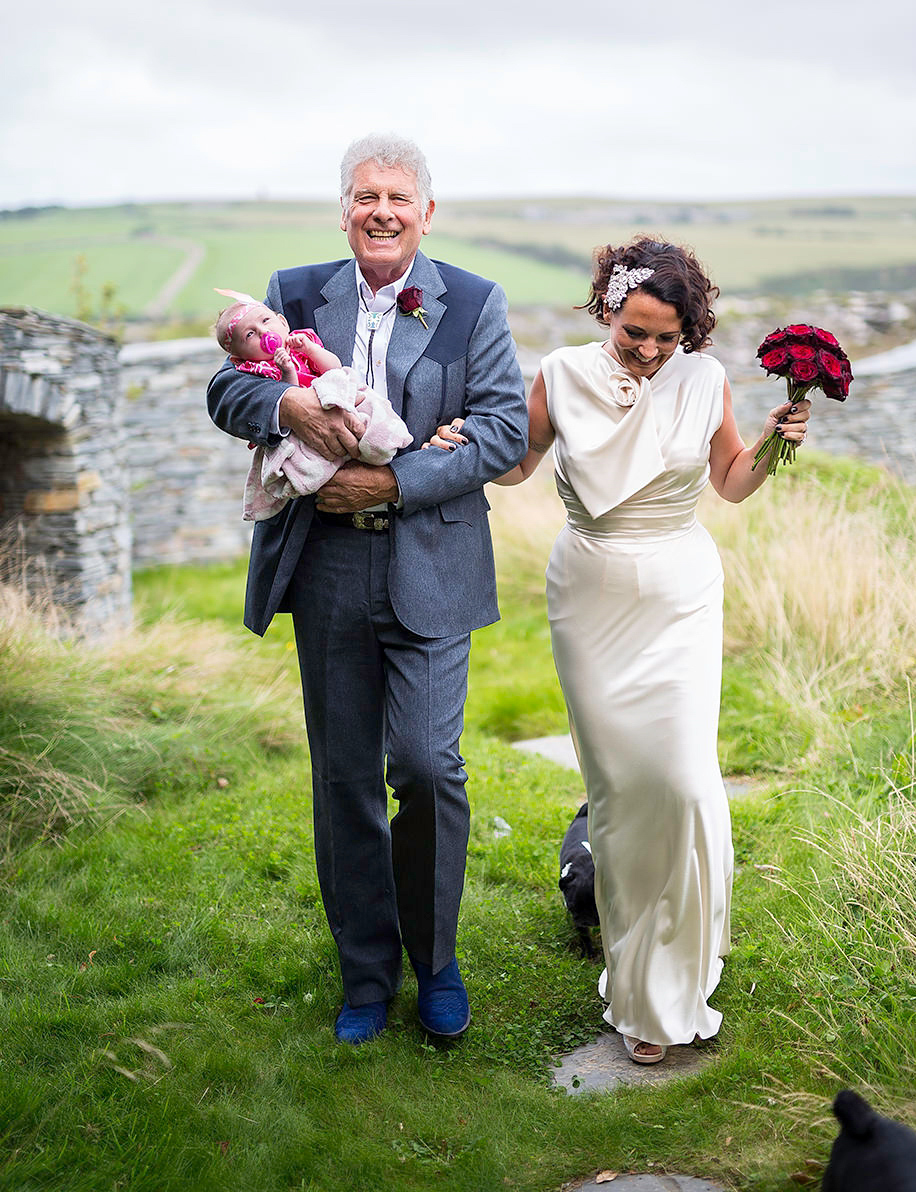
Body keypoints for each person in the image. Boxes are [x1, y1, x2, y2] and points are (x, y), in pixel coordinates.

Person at [431, 238, 810, 1065]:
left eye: (664, 338)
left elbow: (731, 482)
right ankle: (636, 978)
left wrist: (779, 440)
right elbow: (517, 467)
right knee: (618, 793)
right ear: (609, 305)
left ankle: (679, 962)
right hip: (590, 594)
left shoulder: (706, 381)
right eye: (633, 330)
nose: (645, 350)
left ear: (688, 332)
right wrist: (466, 440)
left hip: (678, 590)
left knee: (679, 780)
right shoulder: (559, 374)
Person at [207, 134, 528, 1045]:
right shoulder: (294, 292)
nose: (379, 211)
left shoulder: (471, 303)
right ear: (342, 209)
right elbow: (229, 391)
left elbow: (502, 431)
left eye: (397, 196)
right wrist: (286, 408)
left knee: (427, 766)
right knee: (345, 774)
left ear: (427, 210)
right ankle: (364, 974)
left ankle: (436, 962)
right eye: (363, 196)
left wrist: (391, 482)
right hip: (328, 567)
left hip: (432, 558)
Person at [214, 294, 412, 521]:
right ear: (238, 357)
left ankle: (382, 442)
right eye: (250, 335)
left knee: (359, 399)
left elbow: (333, 367)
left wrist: (310, 350)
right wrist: (287, 371)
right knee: (298, 458)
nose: (262, 333)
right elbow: (291, 394)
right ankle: (312, 477)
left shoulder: (302, 341)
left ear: (283, 322)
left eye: (266, 321)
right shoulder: (259, 370)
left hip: (338, 399)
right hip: (306, 432)